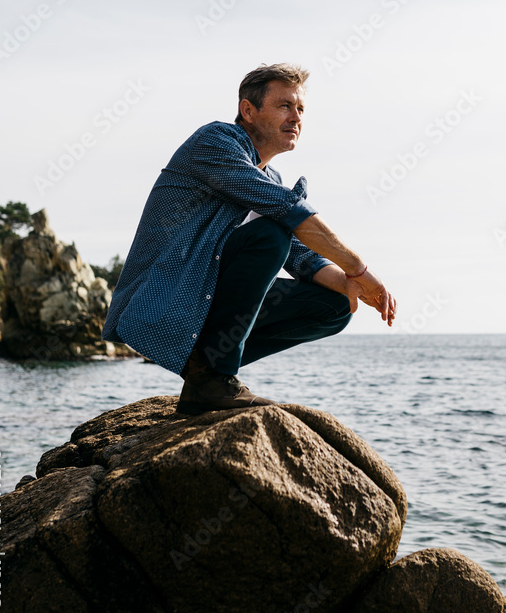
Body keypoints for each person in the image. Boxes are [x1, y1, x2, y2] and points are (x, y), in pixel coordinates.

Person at [102, 62, 397, 415]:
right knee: (271, 234)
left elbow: (302, 256)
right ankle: (214, 378)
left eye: (300, 108)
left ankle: (204, 373)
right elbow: (290, 214)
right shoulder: (216, 142)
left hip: (204, 296)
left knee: (335, 307)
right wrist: (360, 268)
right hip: (166, 297)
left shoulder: (270, 176)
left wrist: (351, 283)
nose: (296, 117)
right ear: (248, 111)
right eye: (284, 105)